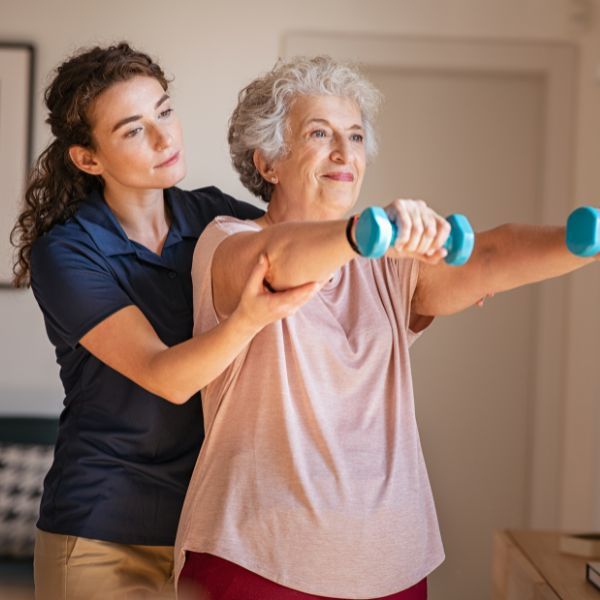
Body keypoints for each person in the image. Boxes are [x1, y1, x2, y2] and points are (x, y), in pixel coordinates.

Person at [174, 56, 599, 599]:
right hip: (258, 561)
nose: (343, 152)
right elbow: (278, 262)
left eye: (354, 136)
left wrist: (583, 241)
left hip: (392, 568)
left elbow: (490, 254)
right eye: (319, 133)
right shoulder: (227, 240)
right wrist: (366, 232)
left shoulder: (385, 261)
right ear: (268, 162)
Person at [10, 43, 317, 600]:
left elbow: (300, 253)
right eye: (133, 130)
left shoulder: (215, 217)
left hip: (205, 528)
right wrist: (248, 318)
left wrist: (409, 285)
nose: (164, 137)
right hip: (102, 531)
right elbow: (166, 376)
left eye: (165, 112)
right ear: (88, 158)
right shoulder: (70, 252)